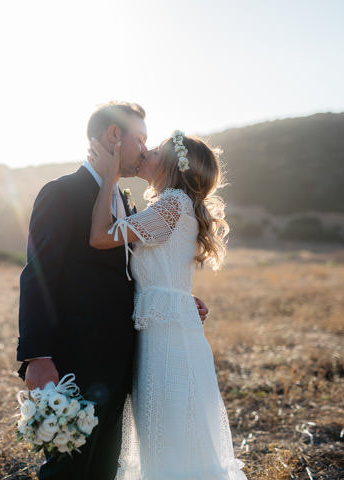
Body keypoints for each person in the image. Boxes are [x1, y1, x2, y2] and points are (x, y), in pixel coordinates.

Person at [16, 102, 208, 480]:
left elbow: (141, 271)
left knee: (106, 466)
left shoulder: (128, 201)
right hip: (76, 356)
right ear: (113, 137)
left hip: (126, 360)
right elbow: (37, 275)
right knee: (68, 467)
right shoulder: (63, 193)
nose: (144, 151)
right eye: (140, 139)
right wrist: (37, 355)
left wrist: (180, 300)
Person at [88, 131, 247, 479]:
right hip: (164, 332)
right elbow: (166, 273)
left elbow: (100, 237)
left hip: (168, 342)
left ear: (173, 165)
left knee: (172, 435)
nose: (145, 153)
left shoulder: (173, 203)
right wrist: (182, 298)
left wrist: (110, 177)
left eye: (156, 150)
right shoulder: (174, 204)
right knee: (168, 434)